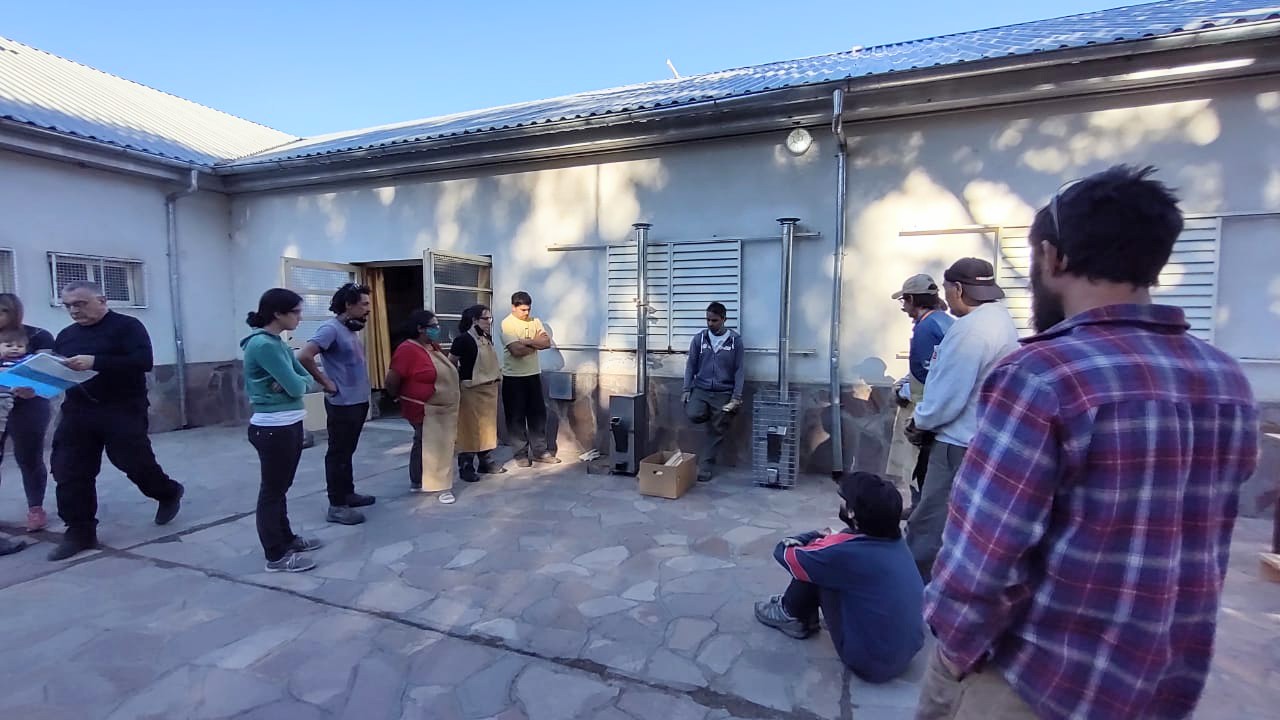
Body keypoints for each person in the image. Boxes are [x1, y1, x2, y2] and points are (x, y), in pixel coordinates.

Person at [917, 166, 1260, 720]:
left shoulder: (1043, 376)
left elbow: (984, 562)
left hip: (1038, 684)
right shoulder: (1226, 381)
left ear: (1052, 258)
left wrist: (952, 654)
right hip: (1159, 688)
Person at [46, 281, 185, 561]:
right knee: (69, 470)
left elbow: (143, 361)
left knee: (133, 462)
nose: (74, 311)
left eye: (80, 304)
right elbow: (61, 371)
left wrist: (96, 361)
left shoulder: (127, 326)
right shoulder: (66, 335)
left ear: (102, 300)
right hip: (78, 410)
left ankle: (167, 492)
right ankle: (80, 531)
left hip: (122, 408)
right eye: (68, 306)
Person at [904, 258, 1018, 580]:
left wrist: (919, 421)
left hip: (956, 443)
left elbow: (948, 395)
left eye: (946, 289)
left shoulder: (970, 331)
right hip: (983, 437)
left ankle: (913, 588)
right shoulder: (1000, 319)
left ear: (957, 289)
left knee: (929, 523)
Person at [754, 471, 924, 683]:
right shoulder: (897, 543)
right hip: (905, 652)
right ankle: (805, 615)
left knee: (819, 562)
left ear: (852, 513)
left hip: (870, 663)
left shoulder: (846, 554)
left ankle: (790, 614)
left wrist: (815, 536)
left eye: (844, 499)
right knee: (831, 562)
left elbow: (783, 554)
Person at [242, 289, 323, 573]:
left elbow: (303, 377)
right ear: (278, 313)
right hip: (273, 427)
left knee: (281, 489)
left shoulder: (277, 342)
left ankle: (287, 538)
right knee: (272, 492)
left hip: (287, 422)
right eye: (296, 312)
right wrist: (295, 383)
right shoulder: (263, 345)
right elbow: (298, 386)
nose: (300, 318)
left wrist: (295, 382)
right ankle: (276, 555)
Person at [299, 282, 374, 525]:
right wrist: (325, 381)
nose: (368, 309)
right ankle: (336, 505)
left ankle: (347, 493)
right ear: (348, 305)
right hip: (342, 404)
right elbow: (304, 355)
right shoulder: (329, 329)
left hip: (357, 401)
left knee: (347, 452)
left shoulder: (349, 329)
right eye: (364, 304)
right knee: (338, 454)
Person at [885, 275, 954, 510]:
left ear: (913, 299)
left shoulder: (926, 328)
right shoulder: (945, 321)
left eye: (904, 301)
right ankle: (920, 508)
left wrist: (904, 391)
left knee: (917, 465)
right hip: (942, 407)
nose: (903, 307)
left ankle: (920, 513)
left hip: (926, 407)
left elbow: (928, 374)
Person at [386, 310, 460, 504]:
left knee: (422, 442)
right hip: (424, 408)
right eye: (433, 326)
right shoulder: (407, 350)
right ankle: (440, 486)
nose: (437, 329)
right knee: (436, 445)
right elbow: (392, 379)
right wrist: (396, 397)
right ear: (420, 328)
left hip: (442, 408)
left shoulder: (432, 346)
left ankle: (417, 480)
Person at [0, 293, 55, 537]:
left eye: (2, 310)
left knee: (28, 457)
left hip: (29, 405)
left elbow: (49, 369)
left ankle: (36, 509)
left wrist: (33, 388)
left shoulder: (38, 335)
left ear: (14, 311)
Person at [682, 301, 745, 483]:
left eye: (714, 320)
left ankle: (706, 467)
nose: (710, 324)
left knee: (717, 431)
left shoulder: (735, 341)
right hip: (701, 389)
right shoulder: (699, 339)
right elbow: (690, 365)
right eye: (708, 320)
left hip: (723, 391)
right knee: (693, 413)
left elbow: (739, 370)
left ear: (724, 319)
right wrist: (686, 389)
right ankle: (713, 415)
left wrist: (736, 397)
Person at [498, 291, 559, 468]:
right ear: (513, 307)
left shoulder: (535, 321)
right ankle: (520, 454)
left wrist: (525, 341)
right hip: (513, 377)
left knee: (537, 415)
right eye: (523, 310)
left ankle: (540, 451)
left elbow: (546, 343)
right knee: (515, 417)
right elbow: (516, 351)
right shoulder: (507, 323)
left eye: (528, 309)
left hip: (532, 374)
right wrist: (534, 342)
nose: (526, 313)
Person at [451, 304, 504, 482]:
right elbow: (451, 363)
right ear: (474, 320)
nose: (489, 322)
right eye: (485, 318)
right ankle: (466, 466)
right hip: (471, 390)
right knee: (469, 429)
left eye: (490, 318)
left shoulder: (487, 338)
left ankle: (485, 461)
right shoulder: (462, 340)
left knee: (487, 429)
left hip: (489, 390)